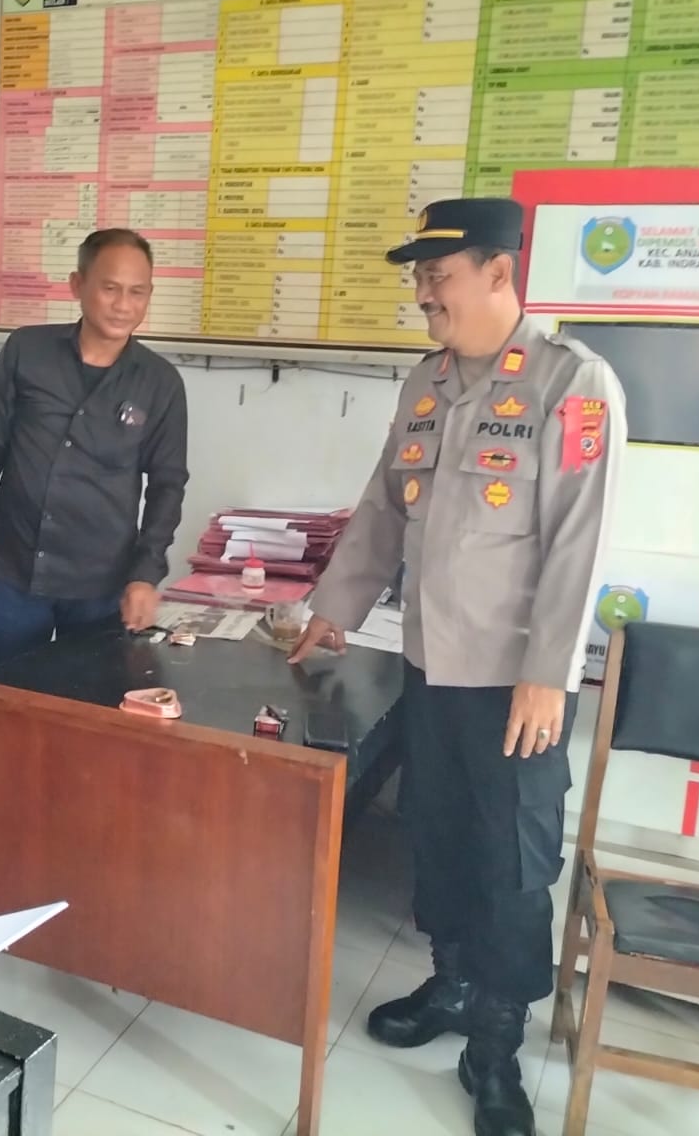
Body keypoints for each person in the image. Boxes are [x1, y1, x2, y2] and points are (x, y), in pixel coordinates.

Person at [289, 198, 626, 1136]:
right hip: (430, 665)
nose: (423, 294)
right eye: (420, 278)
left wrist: (549, 672)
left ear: (498, 272)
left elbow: (579, 540)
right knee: (434, 833)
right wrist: (333, 610)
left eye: (438, 276)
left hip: (518, 684)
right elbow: (382, 506)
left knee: (510, 861)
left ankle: (497, 1045)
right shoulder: (428, 381)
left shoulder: (573, 382)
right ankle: (451, 984)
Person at [0, 229, 188, 671]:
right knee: (6, 697)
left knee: (89, 705)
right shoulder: (27, 351)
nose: (123, 305)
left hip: (102, 585)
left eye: (137, 292)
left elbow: (167, 485)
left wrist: (145, 574)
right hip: (18, 571)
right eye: (110, 288)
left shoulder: (160, 383)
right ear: (78, 285)